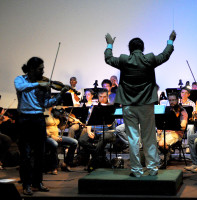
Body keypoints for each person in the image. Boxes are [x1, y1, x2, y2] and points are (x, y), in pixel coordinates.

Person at [104, 30, 176, 177]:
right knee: (149, 137)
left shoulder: (124, 60)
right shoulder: (149, 59)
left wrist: (110, 44)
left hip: (128, 105)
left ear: (130, 49)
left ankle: (136, 170)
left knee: (133, 138)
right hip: (146, 105)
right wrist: (170, 40)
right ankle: (152, 168)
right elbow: (165, 55)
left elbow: (108, 58)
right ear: (142, 48)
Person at [14, 57, 69, 195]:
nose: (43, 71)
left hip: (38, 118)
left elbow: (46, 104)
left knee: (40, 153)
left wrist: (61, 94)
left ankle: (38, 182)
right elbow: (20, 88)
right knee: (25, 154)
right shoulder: (20, 79)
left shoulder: (44, 84)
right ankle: (26, 184)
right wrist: (38, 85)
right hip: (24, 119)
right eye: (40, 69)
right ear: (31, 69)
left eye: (43, 68)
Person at [78, 89, 116, 171]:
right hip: (96, 131)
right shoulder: (93, 107)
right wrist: (89, 132)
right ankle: (100, 156)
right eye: (100, 97)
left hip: (108, 132)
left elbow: (110, 124)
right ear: (98, 97)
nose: (102, 98)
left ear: (107, 97)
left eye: (104, 97)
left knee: (103, 137)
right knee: (82, 140)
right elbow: (89, 122)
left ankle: (93, 162)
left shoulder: (111, 107)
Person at [45, 107, 78, 173]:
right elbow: (41, 127)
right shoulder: (43, 112)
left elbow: (61, 127)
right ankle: (54, 167)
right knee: (54, 144)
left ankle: (66, 164)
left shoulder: (55, 112)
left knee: (74, 142)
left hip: (57, 136)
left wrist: (69, 123)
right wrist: (51, 136)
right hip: (47, 136)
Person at [157, 92, 188, 164]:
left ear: (177, 100)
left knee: (161, 143)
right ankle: (166, 153)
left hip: (176, 133)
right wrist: (160, 127)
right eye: (170, 100)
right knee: (150, 141)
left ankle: (166, 154)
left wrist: (173, 125)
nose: (172, 102)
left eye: (173, 100)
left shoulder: (182, 111)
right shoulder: (166, 110)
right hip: (165, 132)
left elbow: (183, 126)